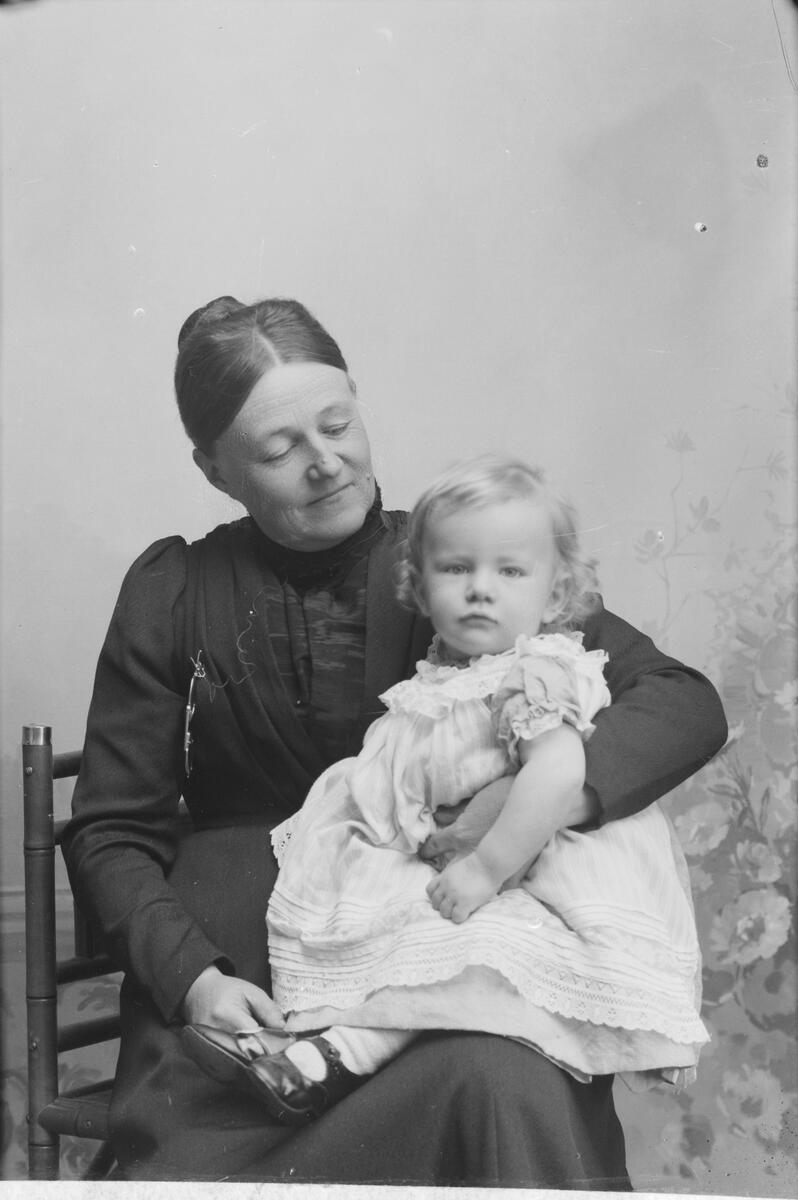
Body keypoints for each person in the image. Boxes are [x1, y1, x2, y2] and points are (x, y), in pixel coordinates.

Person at [62, 295, 727, 1186]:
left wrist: (527, 801)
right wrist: (193, 980)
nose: (325, 462)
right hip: (244, 993)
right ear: (216, 469)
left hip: (433, 970)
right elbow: (110, 831)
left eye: (338, 424)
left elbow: (683, 702)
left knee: (500, 1083)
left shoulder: (462, 560)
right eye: (279, 449)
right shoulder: (174, 589)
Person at [182, 454, 709, 1125]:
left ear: (553, 598)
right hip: (457, 861)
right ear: (420, 589)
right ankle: (311, 1046)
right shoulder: (445, 679)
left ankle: (336, 1055)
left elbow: (557, 770)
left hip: (524, 868)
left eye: (510, 572)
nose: (480, 589)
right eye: (457, 569)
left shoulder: (533, 673)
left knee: (460, 960)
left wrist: (486, 866)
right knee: (404, 947)